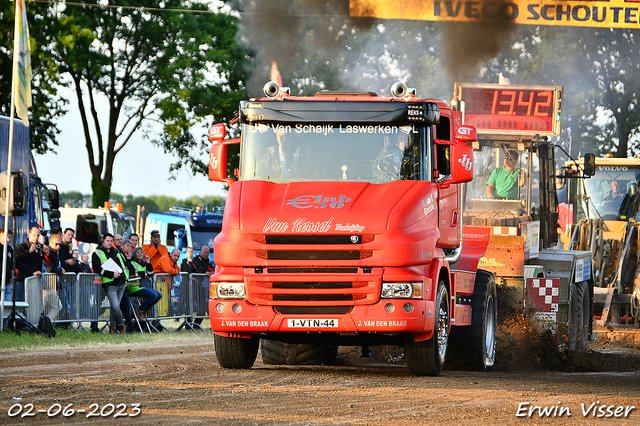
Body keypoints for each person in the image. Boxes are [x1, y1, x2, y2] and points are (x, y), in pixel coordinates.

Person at [92, 233, 128, 334]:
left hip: (121, 283)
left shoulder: (116, 251)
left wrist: (125, 278)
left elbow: (123, 266)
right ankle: (121, 325)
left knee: (114, 307)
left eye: (111, 241)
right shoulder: (97, 253)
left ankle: (112, 328)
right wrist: (111, 274)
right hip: (109, 284)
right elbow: (97, 269)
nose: (109, 243)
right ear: (103, 241)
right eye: (107, 241)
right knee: (116, 306)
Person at [127, 246, 162, 322]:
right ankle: (140, 310)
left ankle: (145, 310)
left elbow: (150, 273)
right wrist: (142, 273)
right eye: (138, 252)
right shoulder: (131, 263)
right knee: (153, 295)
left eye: (141, 252)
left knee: (159, 295)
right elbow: (131, 274)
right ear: (134, 254)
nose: (140, 254)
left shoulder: (144, 264)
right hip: (133, 287)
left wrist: (148, 263)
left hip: (143, 286)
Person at [15, 226, 45, 303]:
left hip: (34, 280)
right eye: (34, 235)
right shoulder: (21, 246)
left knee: (32, 303)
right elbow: (17, 259)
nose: (36, 237)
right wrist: (29, 251)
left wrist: (47, 253)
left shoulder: (39, 248)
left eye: (38, 235)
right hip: (22, 280)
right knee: (21, 303)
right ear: (29, 234)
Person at [0, 229, 14, 303]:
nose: (8, 239)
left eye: (9, 237)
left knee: (7, 304)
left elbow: (11, 264)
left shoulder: (10, 249)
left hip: (6, 283)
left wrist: (11, 276)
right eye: (6, 237)